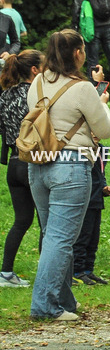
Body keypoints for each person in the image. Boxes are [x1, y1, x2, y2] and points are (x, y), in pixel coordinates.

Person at [26, 30, 110, 321]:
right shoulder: (82, 88)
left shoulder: (38, 82)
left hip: (38, 164)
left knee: (51, 235)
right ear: (77, 53)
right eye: (83, 49)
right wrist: (101, 105)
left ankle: (63, 301)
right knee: (61, 240)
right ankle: (45, 306)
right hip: (71, 165)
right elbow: (105, 131)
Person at [0, 50, 42, 286]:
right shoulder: (36, 95)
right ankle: (47, 274)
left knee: (21, 220)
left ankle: (5, 273)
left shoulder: (5, 95)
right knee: (46, 221)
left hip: (13, 163)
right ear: (35, 70)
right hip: (34, 161)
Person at [72, 146, 110, 284]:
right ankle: (77, 270)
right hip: (85, 199)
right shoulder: (80, 150)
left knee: (94, 238)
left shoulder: (102, 150)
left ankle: (89, 269)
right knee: (83, 236)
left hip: (97, 198)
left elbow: (100, 173)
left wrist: (105, 187)